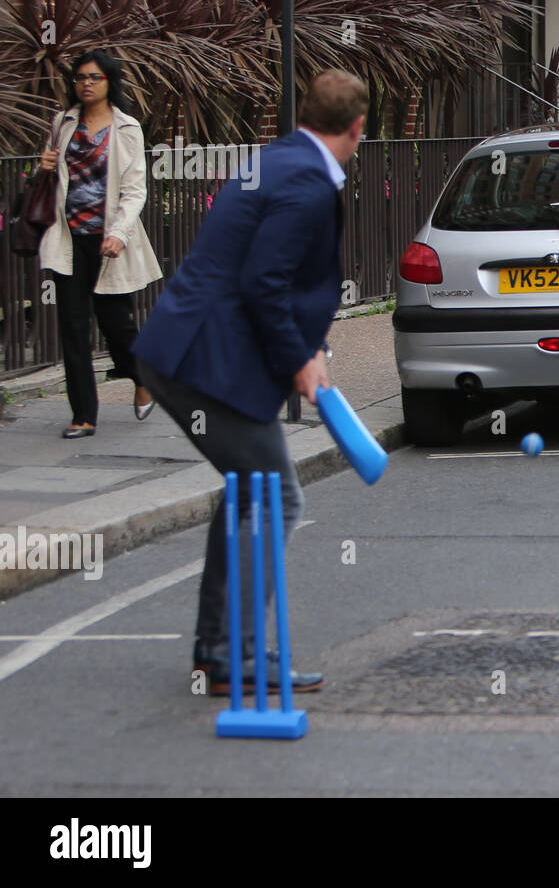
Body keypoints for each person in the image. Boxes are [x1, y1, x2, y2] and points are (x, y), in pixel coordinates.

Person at [133, 69, 368, 696]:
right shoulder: (307, 181)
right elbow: (265, 281)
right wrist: (300, 361)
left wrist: (311, 343)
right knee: (274, 498)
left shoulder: (279, 158)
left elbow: (273, 274)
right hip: (205, 360)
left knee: (247, 495)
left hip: (188, 351)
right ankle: (234, 659)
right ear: (357, 127)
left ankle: (217, 653)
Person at [38, 50, 162, 438]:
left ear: (110, 82)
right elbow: (53, 181)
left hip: (109, 243)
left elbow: (134, 190)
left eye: (94, 77)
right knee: (72, 328)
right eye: (80, 78)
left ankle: (143, 376)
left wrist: (118, 233)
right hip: (68, 240)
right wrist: (42, 169)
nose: (86, 84)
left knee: (116, 325)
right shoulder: (63, 122)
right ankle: (83, 416)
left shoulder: (126, 128)